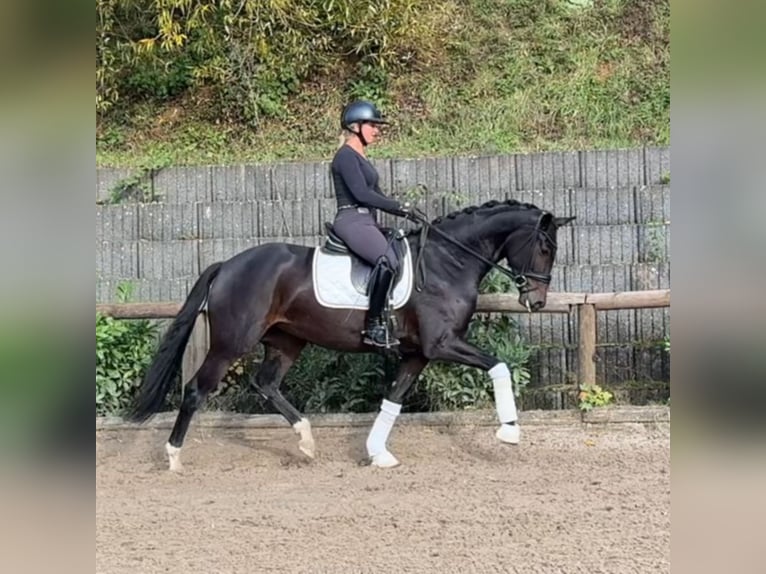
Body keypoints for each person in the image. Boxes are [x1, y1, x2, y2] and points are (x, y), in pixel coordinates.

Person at [330, 100, 410, 348]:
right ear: (355, 127)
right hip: (351, 218)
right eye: (372, 125)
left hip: (366, 220)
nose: (377, 130)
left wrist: (408, 211)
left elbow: (379, 196)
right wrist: (399, 207)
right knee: (387, 259)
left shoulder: (361, 158)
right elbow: (362, 194)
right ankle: (373, 325)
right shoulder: (345, 156)